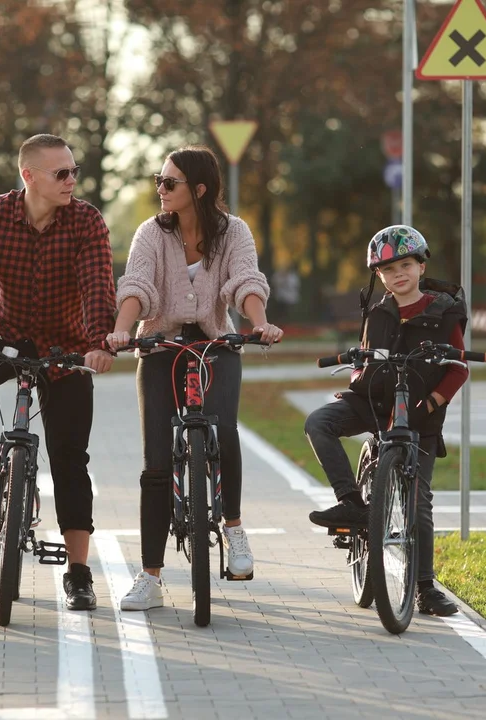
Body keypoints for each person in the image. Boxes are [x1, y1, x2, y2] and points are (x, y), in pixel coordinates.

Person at [0, 133, 116, 611]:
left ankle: (79, 574)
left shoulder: (85, 221)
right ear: (29, 176)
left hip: (68, 345)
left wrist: (100, 343)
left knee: (70, 459)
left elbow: (99, 284)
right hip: (4, 332)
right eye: (61, 173)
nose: (71, 180)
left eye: (74, 171)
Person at [106, 145, 283, 612]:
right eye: (159, 181)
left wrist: (259, 322)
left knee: (223, 431)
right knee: (156, 462)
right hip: (160, 346)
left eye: (169, 183)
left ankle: (234, 528)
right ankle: (150, 578)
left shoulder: (234, 232)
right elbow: (137, 285)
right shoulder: (150, 232)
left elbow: (246, 281)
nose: (160, 190)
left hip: (214, 345)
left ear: (198, 190)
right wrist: (123, 331)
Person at [304, 225, 469, 616]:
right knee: (318, 423)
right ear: (378, 276)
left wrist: (430, 404)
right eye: (389, 269)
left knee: (419, 501)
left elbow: (457, 368)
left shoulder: (444, 310)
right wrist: (353, 376)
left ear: (420, 265)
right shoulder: (378, 311)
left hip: (418, 414)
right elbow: (366, 358)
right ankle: (352, 504)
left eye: (406, 265)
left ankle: (425, 588)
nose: (399, 274)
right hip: (374, 404)